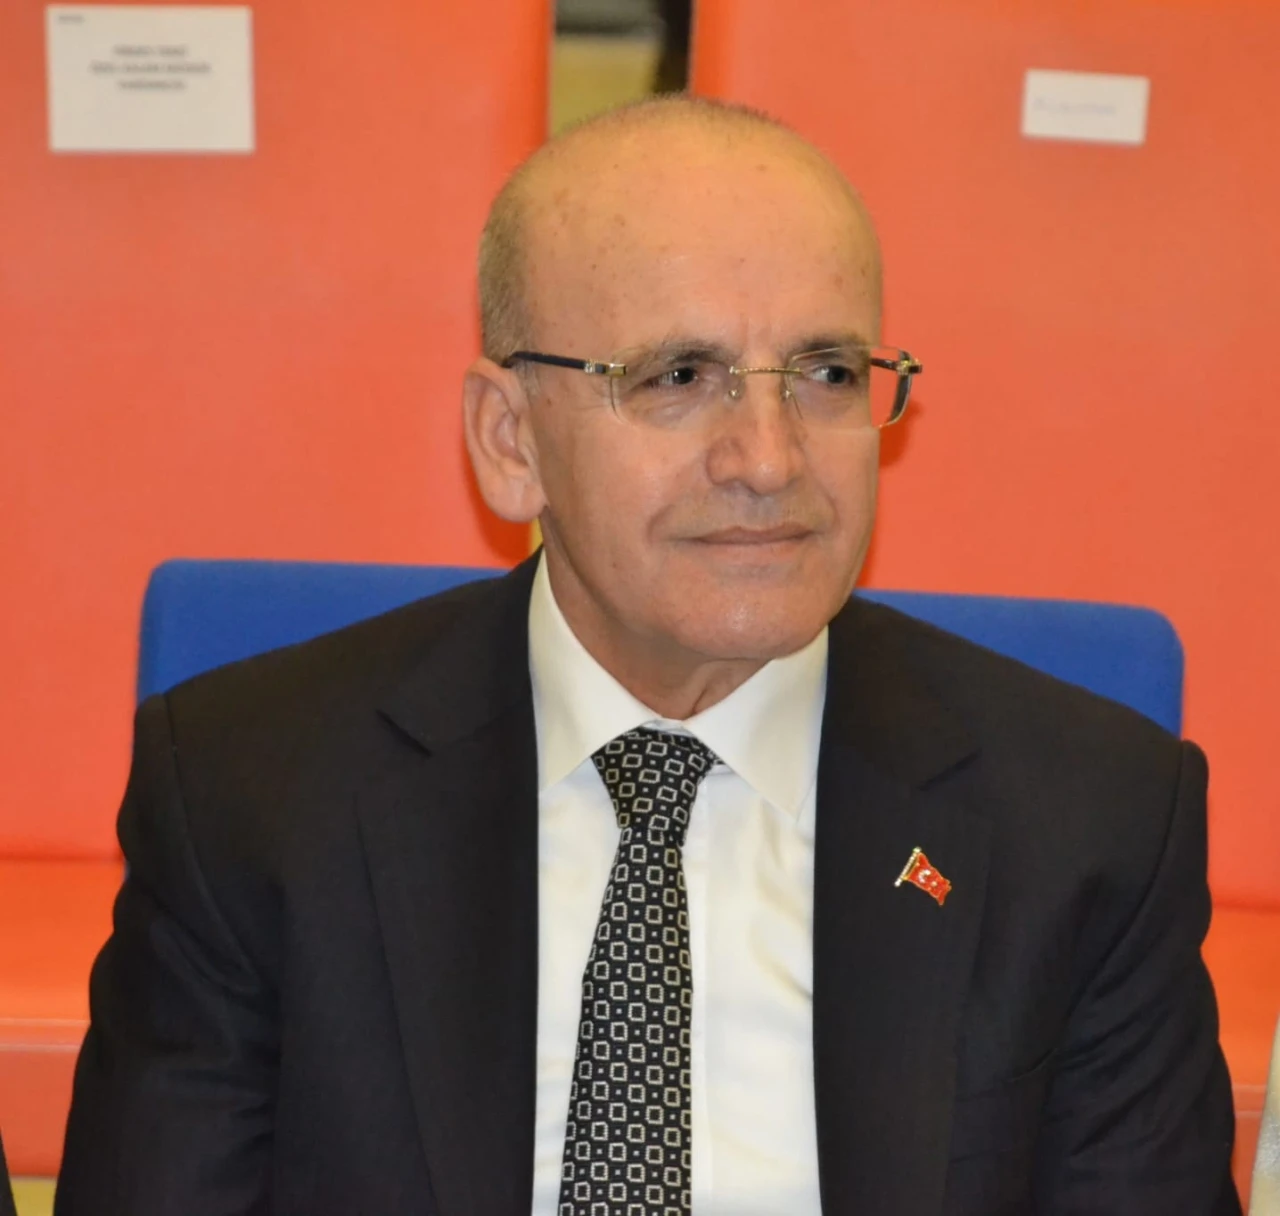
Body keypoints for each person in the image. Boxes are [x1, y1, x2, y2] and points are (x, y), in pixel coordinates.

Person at [56, 97, 1239, 1215]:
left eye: (827, 375)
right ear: (510, 441)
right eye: (678, 378)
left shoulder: (1087, 824)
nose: (767, 458)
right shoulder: (250, 799)